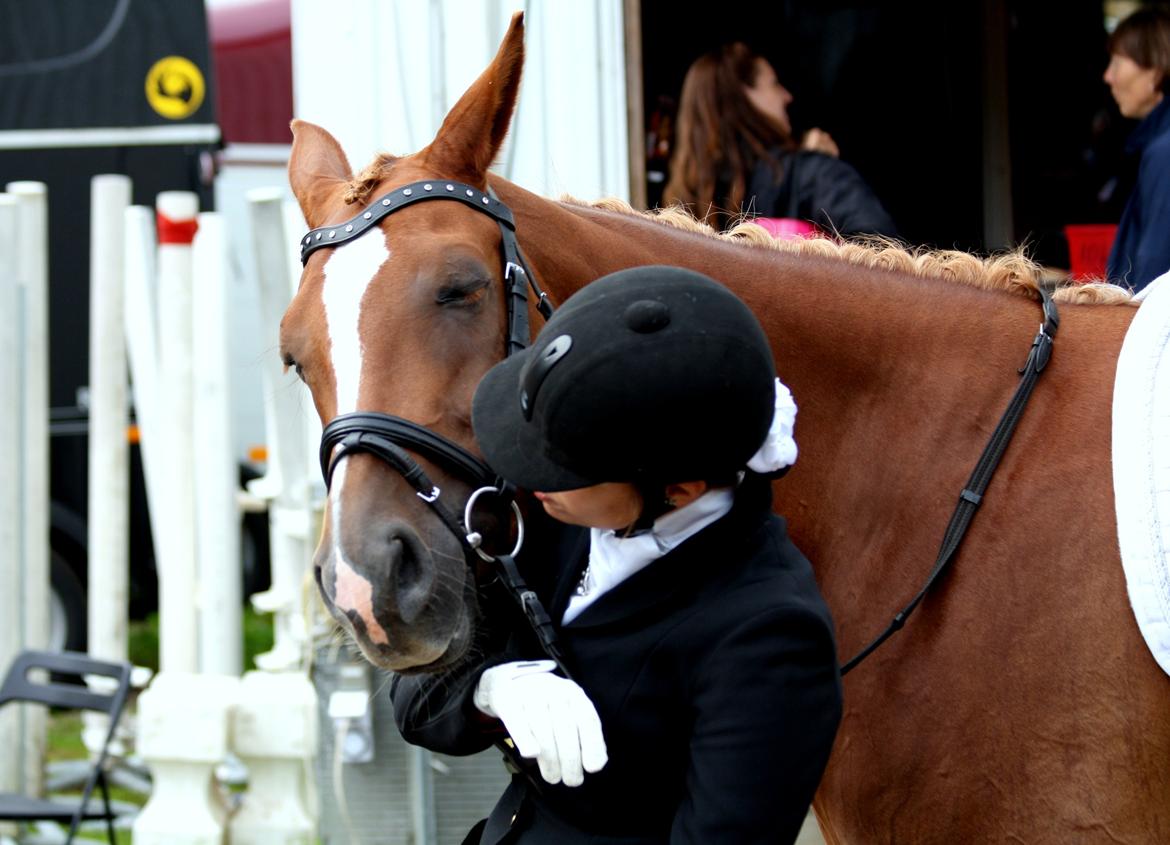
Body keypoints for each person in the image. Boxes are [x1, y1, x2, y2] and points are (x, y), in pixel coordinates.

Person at [389, 265, 842, 845]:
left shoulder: (770, 635)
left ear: (678, 489)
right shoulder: (553, 520)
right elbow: (417, 694)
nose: (527, 476)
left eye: (562, 467)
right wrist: (490, 689)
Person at [662, 42, 897, 238]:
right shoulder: (812, 174)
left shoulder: (686, 202)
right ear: (743, 96)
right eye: (774, 84)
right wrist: (816, 170)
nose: (787, 96)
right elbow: (883, 255)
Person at [1103, 7, 1170, 293]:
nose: (1108, 76)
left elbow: (1152, 284)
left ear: (1155, 70)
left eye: (1117, 63)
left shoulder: (1165, 152)